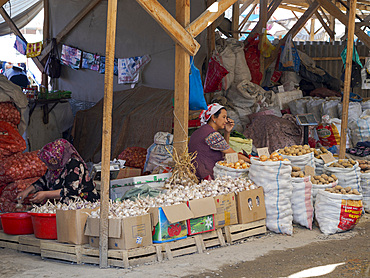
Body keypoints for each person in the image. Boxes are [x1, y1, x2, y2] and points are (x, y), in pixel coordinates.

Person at [17, 139, 100, 204]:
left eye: (50, 161)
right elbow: (44, 181)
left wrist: (45, 195)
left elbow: (70, 191)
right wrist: (26, 191)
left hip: (84, 204)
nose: (48, 165)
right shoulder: (55, 167)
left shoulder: (74, 164)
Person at [189, 103, 250, 180]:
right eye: (223, 117)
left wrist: (227, 132)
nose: (226, 121)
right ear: (213, 117)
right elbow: (231, 153)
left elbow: (224, 149)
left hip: (195, 173)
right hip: (206, 175)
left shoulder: (201, 131)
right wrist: (251, 161)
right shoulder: (212, 134)